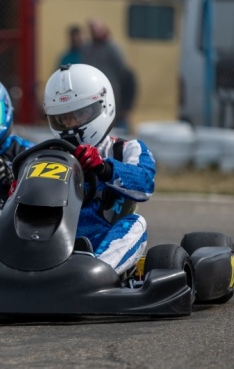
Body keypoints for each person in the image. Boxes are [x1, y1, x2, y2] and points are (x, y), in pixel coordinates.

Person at [42, 63, 156, 276]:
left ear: (103, 106)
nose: (71, 124)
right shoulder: (49, 154)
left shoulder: (125, 150)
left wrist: (103, 168)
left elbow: (145, 184)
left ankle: (97, 274)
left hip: (101, 240)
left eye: (79, 114)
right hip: (51, 237)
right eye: (64, 118)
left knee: (136, 224)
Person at [81, 17, 137, 134]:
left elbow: (126, 76)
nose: (94, 32)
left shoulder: (112, 48)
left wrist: (126, 106)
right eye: (91, 29)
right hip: (93, 100)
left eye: (96, 29)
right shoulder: (87, 49)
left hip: (113, 99)